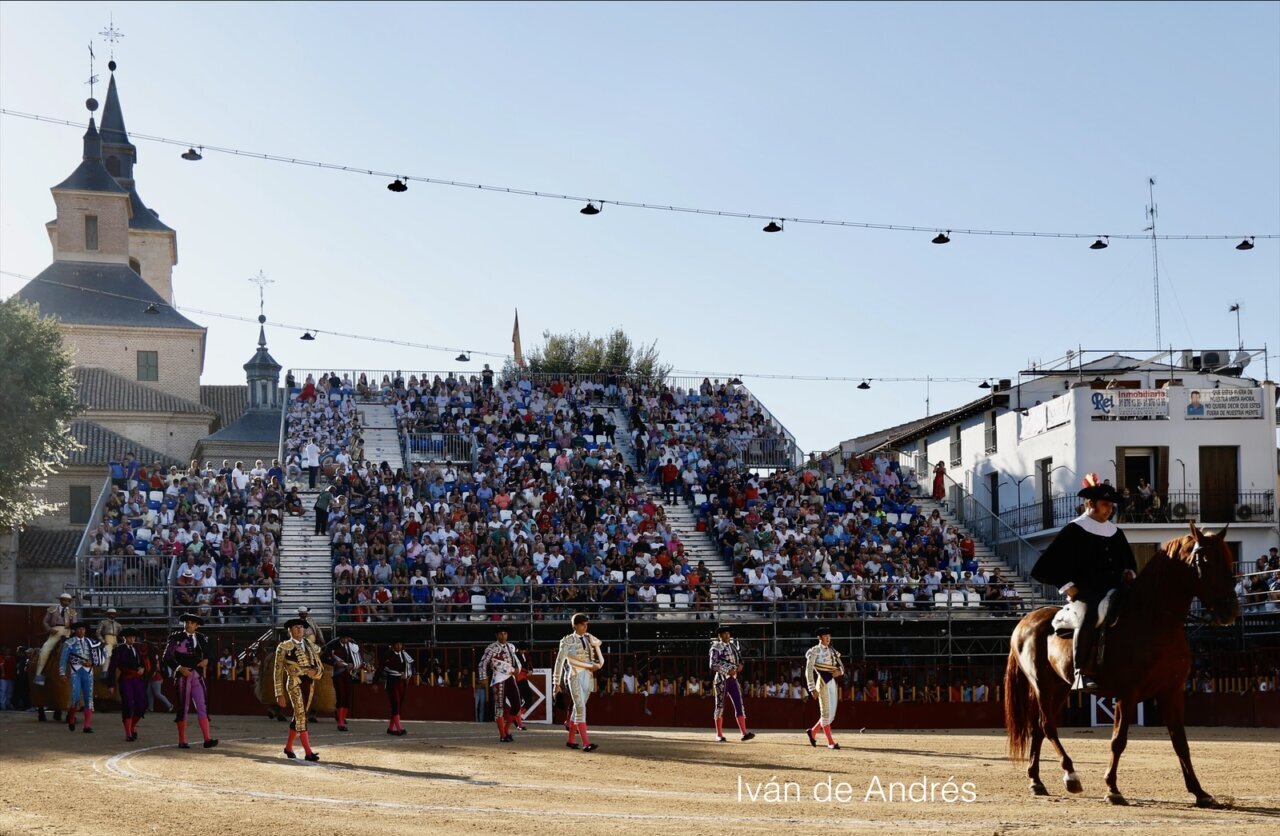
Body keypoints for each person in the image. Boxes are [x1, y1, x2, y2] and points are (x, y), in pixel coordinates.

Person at [1030, 473, 1138, 692]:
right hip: (1087, 592)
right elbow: (1043, 567)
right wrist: (1067, 586)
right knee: (1089, 616)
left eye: (1111, 505)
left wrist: (1130, 572)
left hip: (1117, 590)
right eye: (1105, 504)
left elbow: (1130, 563)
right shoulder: (1073, 530)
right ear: (1091, 504)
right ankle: (1081, 672)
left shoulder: (1116, 533)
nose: (1110, 509)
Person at [163, 613, 219, 749]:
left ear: (197, 626)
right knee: (184, 707)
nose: (188, 625)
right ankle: (182, 740)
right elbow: (166, 657)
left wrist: (207, 660)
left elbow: (211, 654)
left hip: (196, 675)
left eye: (192, 623)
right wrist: (179, 668)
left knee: (202, 706)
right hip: (183, 676)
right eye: (187, 622)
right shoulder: (176, 637)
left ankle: (207, 739)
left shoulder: (201, 638)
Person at [274, 618, 324, 761]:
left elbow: (319, 665)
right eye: (296, 627)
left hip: (309, 684)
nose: (300, 630)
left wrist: (316, 672)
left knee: (299, 716)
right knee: (301, 716)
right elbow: (277, 672)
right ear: (289, 630)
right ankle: (308, 752)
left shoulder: (310, 645)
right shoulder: (284, 647)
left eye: (301, 627)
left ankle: (288, 748)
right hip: (295, 683)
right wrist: (279, 693)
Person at [552, 612, 604, 752]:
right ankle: (586, 743)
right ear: (575, 626)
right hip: (574, 676)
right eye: (582, 624)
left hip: (587, 676)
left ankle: (570, 740)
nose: (585, 627)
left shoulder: (588, 639)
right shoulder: (567, 641)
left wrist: (595, 665)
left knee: (577, 708)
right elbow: (559, 662)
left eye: (586, 624)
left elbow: (594, 655)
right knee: (580, 708)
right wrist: (556, 684)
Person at [478, 626, 526, 743]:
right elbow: (483, 663)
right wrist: (483, 677)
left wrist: (517, 669)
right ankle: (502, 735)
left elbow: (515, 662)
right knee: (499, 707)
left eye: (505, 634)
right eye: (500, 634)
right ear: (496, 635)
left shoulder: (511, 647)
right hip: (498, 679)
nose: (503, 636)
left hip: (509, 678)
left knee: (516, 705)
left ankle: (506, 729)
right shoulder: (491, 648)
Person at [709, 624, 754, 742]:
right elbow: (713, 664)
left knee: (739, 704)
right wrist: (728, 670)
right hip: (721, 680)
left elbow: (740, 659)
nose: (727, 635)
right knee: (720, 706)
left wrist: (741, 666)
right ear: (720, 636)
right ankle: (719, 734)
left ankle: (744, 733)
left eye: (728, 633)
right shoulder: (715, 647)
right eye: (725, 634)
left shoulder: (732, 646)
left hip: (733, 679)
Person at [804, 626, 845, 750]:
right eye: (825, 636)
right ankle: (831, 742)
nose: (828, 638)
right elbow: (808, 670)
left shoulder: (832, 650)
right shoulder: (814, 651)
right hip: (822, 682)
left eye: (829, 636)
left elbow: (842, 666)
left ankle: (812, 732)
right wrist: (812, 688)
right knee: (826, 713)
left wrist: (840, 672)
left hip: (832, 682)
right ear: (819, 638)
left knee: (831, 715)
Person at [58, 621, 103, 733]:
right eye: (79, 629)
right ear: (75, 631)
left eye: (83, 629)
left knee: (88, 699)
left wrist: (92, 663)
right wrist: (62, 673)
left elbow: (99, 657)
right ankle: (71, 718)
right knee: (75, 698)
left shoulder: (91, 642)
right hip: (75, 671)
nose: (81, 631)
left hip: (88, 672)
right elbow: (63, 659)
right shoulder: (69, 643)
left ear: (85, 630)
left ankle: (87, 726)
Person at [106, 627, 149, 741]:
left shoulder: (137, 649)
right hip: (126, 679)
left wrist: (142, 669)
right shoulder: (119, 649)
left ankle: (132, 726)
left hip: (137, 679)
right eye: (130, 637)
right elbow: (112, 668)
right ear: (124, 638)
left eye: (134, 637)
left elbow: (142, 664)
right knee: (128, 705)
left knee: (141, 706)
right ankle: (128, 733)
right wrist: (111, 684)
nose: (132, 639)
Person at [322, 628, 361, 732]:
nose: (346, 639)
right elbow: (324, 657)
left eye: (347, 638)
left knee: (347, 696)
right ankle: (340, 722)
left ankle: (342, 719)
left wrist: (353, 664)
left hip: (348, 673)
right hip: (338, 673)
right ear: (340, 637)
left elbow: (355, 658)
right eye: (344, 638)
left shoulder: (350, 645)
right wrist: (335, 663)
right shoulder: (333, 645)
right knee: (341, 696)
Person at [34, 593, 76, 685]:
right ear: (60, 600)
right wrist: (49, 629)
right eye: (65, 600)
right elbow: (45, 621)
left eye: (68, 601)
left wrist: (73, 629)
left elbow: (75, 624)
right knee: (45, 649)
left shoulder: (72, 612)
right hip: (55, 632)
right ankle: (39, 674)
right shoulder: (52, 609)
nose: (67, 602)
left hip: (68, 633)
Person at [379, 638, 413, 736]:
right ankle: (399, 729)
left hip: (401, 682)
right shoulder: (387, 654)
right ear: (393, 646)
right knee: (396, 703)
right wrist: (375, 682)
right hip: (392, 681)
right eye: (397, 645)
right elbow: (381, 668)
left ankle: (390, 729)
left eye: (400, 644)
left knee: (398, 705)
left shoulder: (404, 654)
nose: (399, 646)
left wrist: (406, 675)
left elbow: (410, 667)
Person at [96, 608, 122, 680]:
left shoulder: (118, 625)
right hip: (107, 638)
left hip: (115, 640)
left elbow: (121, 634)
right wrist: (103, 641)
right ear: (107, 614)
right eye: (111, 613)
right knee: (107, 655)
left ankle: (114, 672)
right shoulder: (103, 622)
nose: (112, 615)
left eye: (114, 614)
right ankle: (104, 672)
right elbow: (98, 632)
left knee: (116, 656)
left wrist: (123, 641)